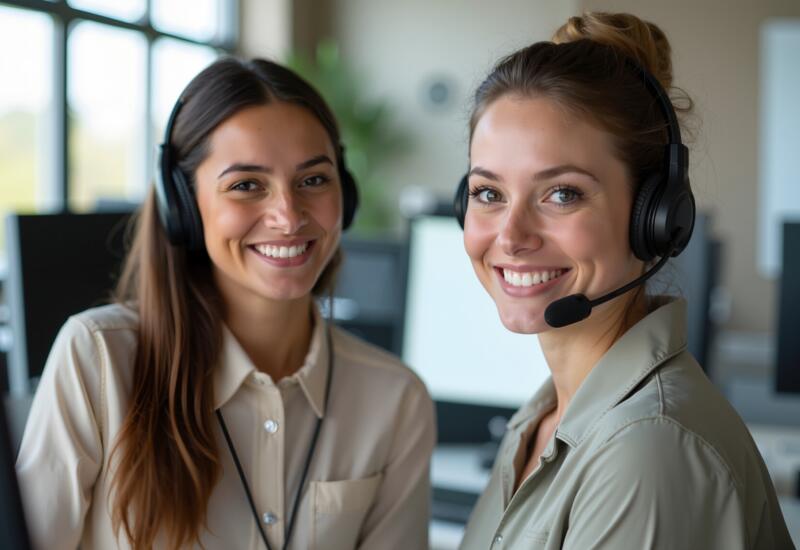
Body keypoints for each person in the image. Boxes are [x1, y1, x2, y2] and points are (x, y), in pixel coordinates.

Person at [16, 57, 436, 550]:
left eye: (314, 180)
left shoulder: (394, 399)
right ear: (184, 205)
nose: (287, 216)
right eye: (246, 185)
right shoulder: (99, 359)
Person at [454, 12, 793, 550]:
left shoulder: (649, 448)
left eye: (561, 193)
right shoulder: (544, 416)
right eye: (488, 193)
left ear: (654, 217)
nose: (511, 236)